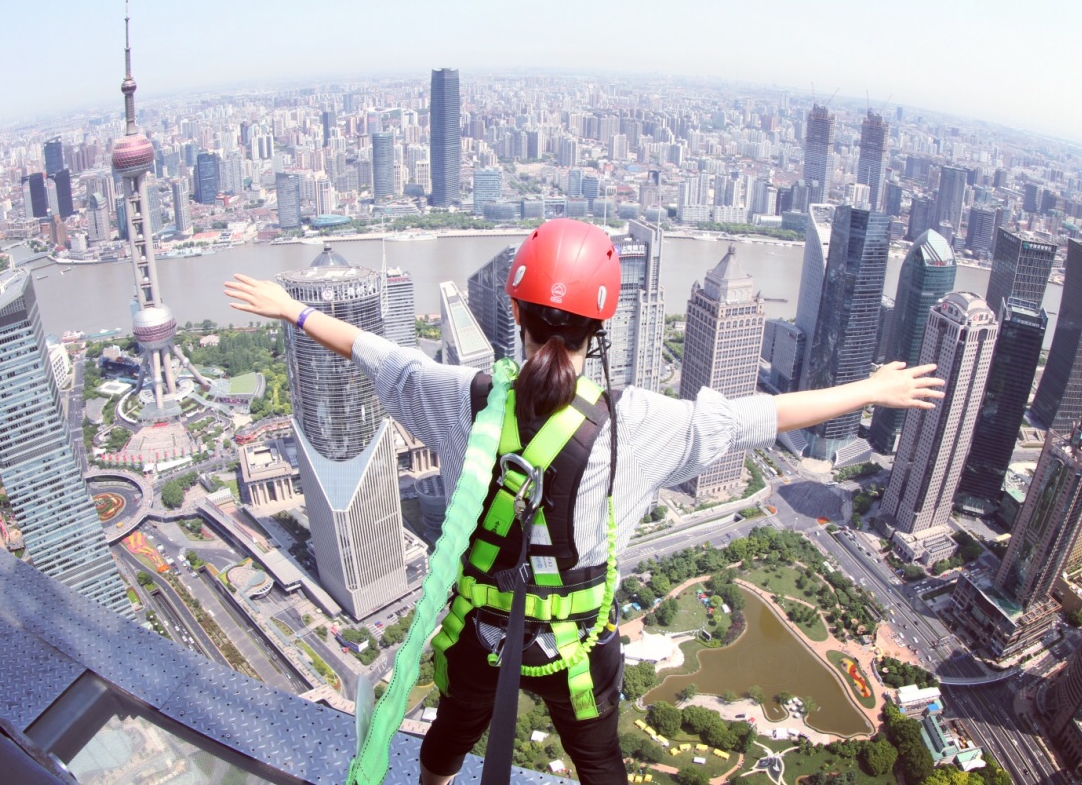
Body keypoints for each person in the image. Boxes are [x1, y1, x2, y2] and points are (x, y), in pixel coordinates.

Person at [225, 219, 942, 784]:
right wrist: (871, 390)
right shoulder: (644, 423)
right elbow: (766, 413)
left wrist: (292, 310)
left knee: (451, 732)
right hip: (575, 647)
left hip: (479, 632)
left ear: (514, 311)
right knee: (599, 762)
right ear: (601, 328)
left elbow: (380, 354)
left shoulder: (467, 398)